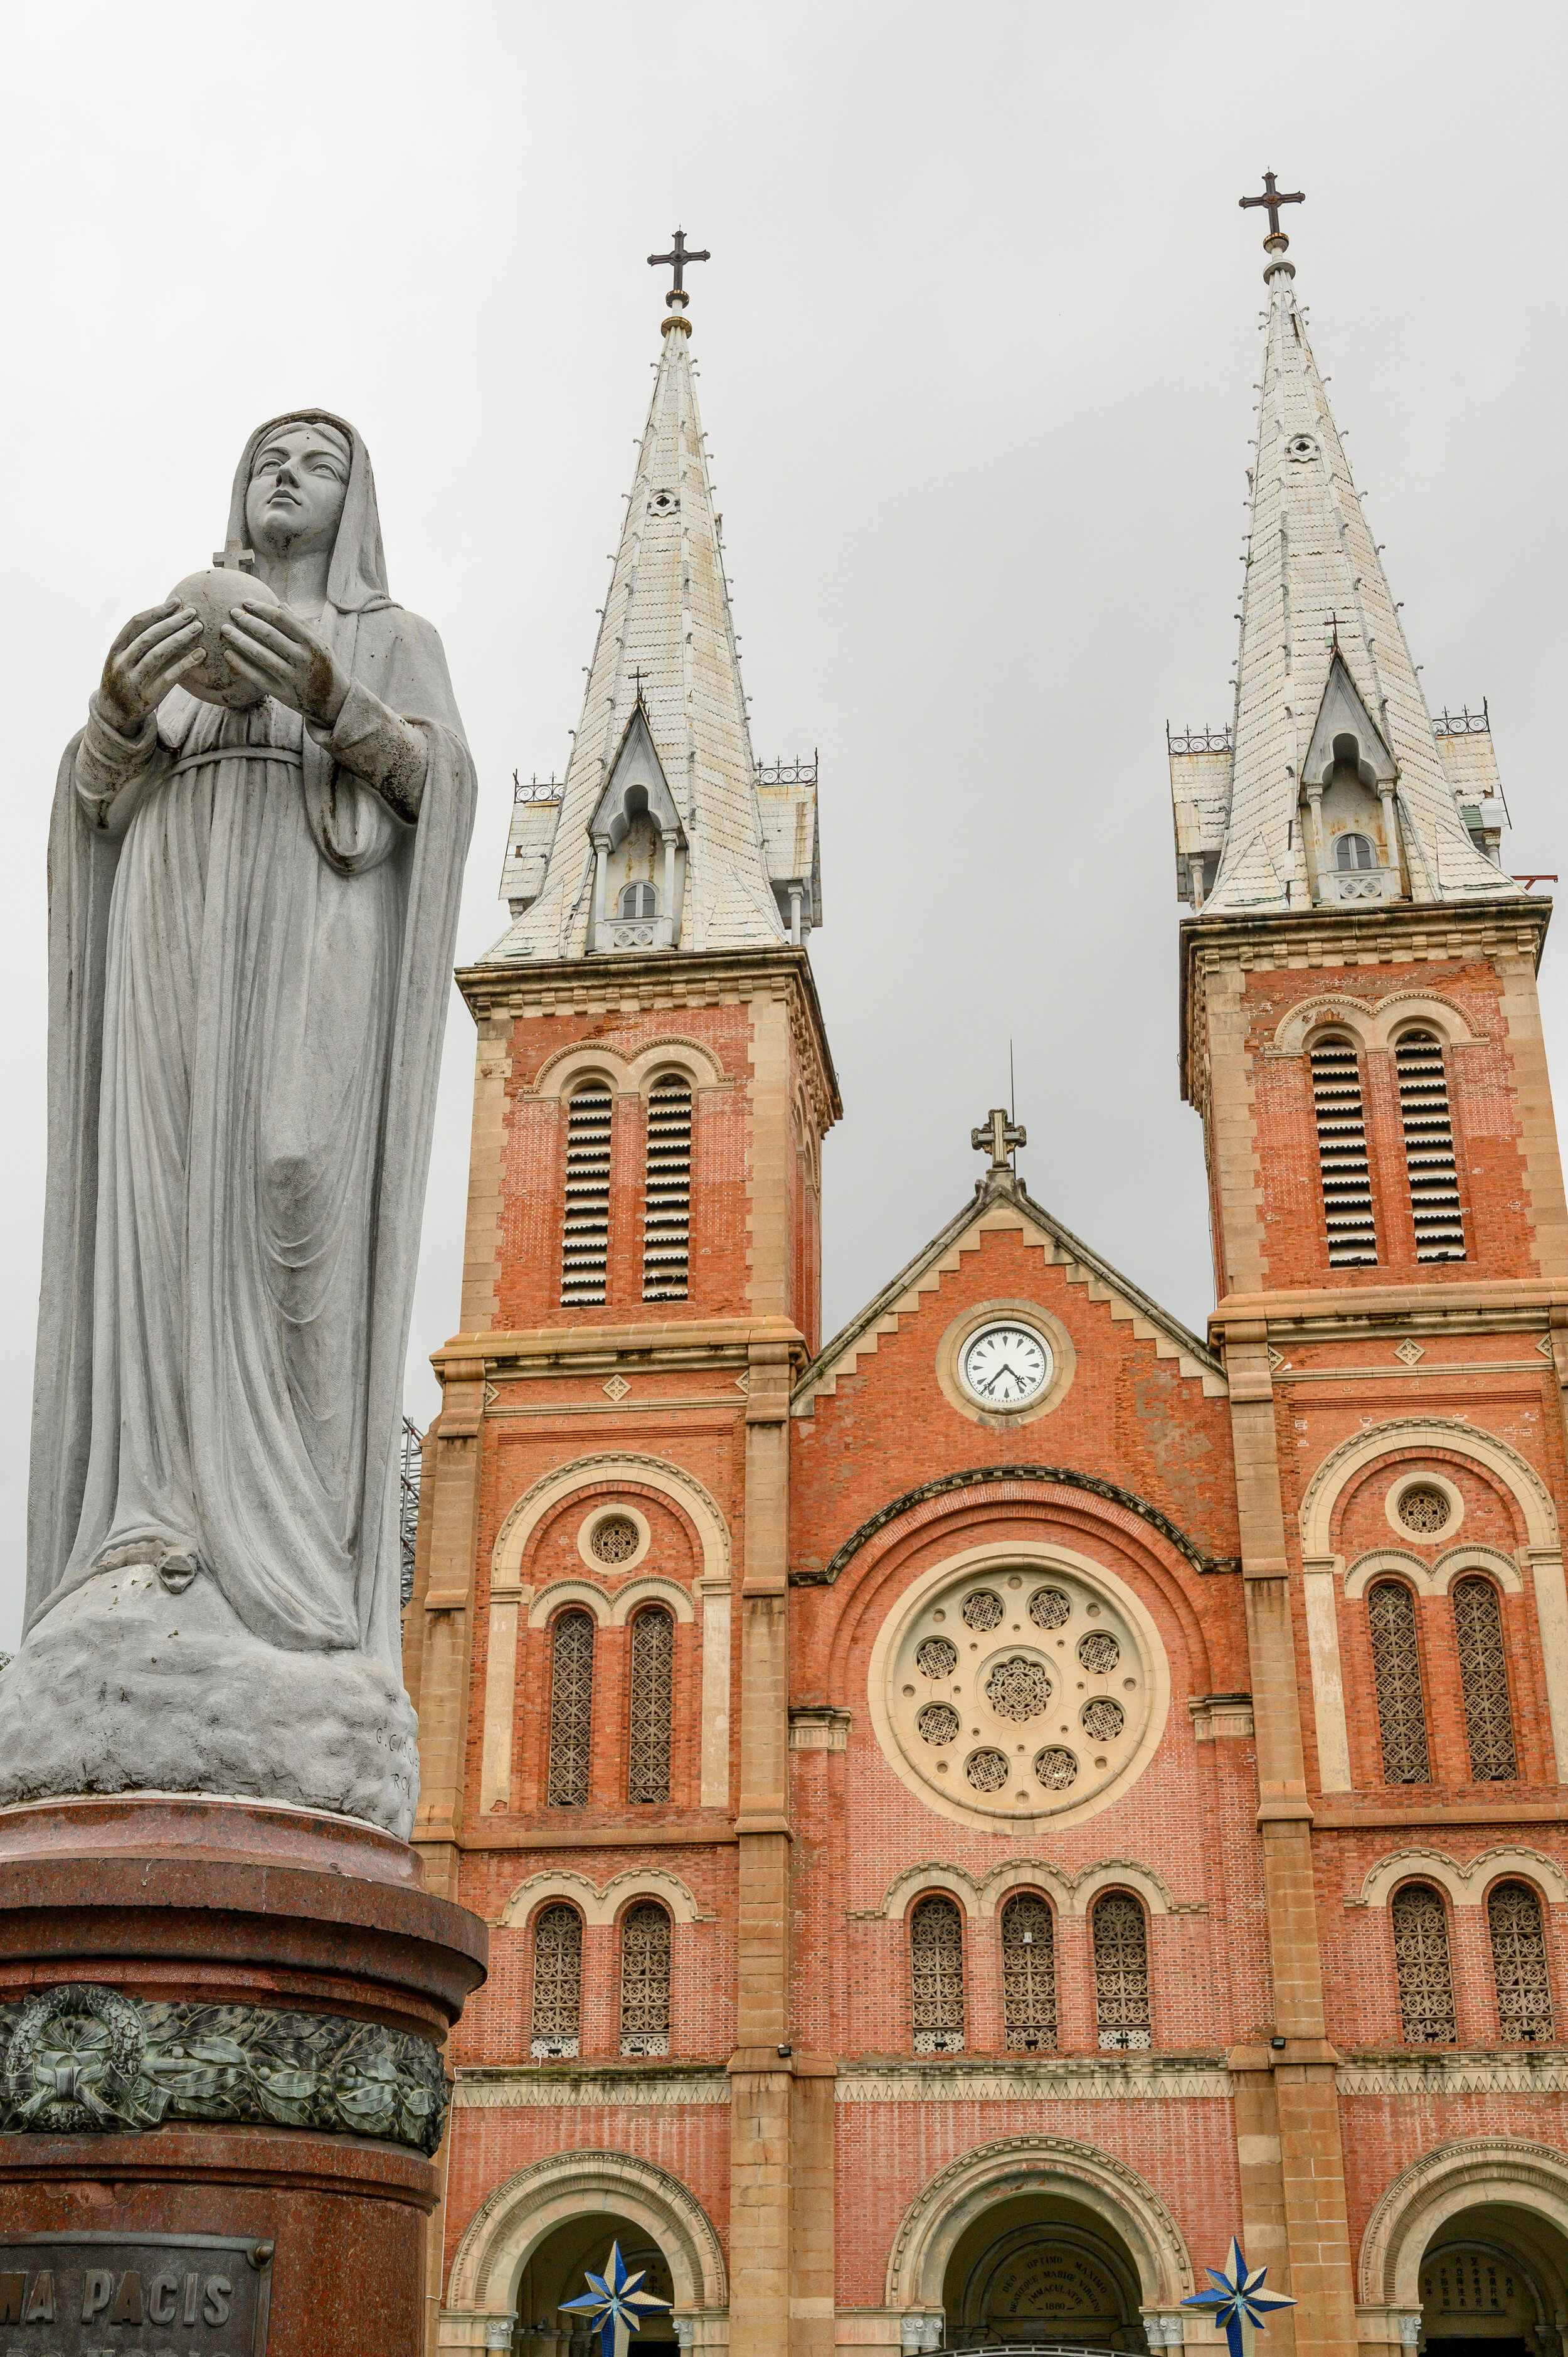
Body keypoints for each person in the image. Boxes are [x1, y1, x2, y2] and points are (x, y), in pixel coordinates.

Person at [0, 412, 475, 1836]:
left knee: (288, 1189)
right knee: (150, 1222)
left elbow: (434, 790)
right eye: (266, 454)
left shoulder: (395, 639)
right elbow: (91, 810)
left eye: (316, 460)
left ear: (355, 502)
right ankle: (146, 1524)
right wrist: (111, 722)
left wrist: (330, 693)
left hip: (309, 936)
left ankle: (292, 1576)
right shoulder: (169, 634)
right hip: (168, 937)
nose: (285, 474)